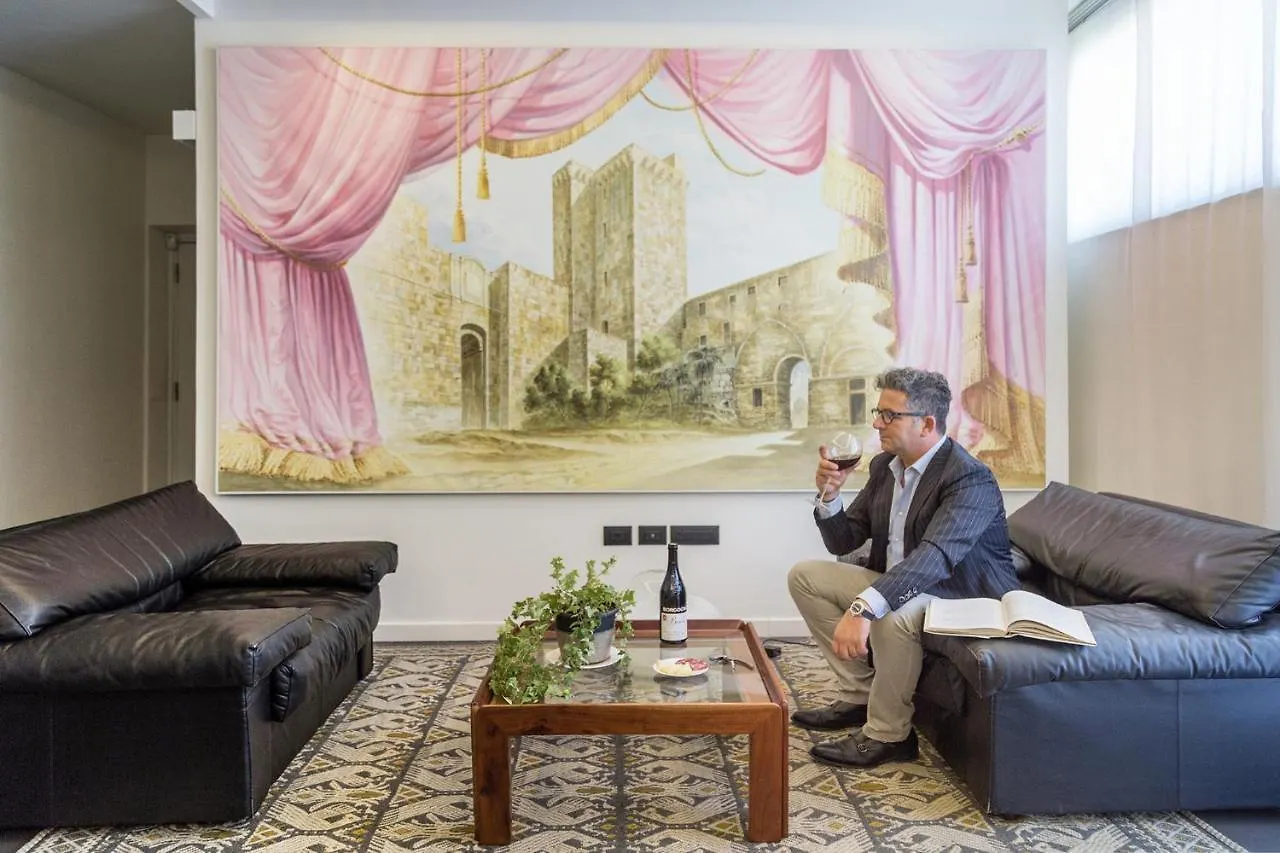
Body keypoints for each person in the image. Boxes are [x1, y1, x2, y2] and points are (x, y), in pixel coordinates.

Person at [787, 366, 1018, 768]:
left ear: (927, 423)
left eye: (889, 415)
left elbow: (935, 557)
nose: (877, 423)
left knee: (891, 612)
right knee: (805, 577)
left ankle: (889, 735)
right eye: (878, 412)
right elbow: (845, 540)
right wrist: (830, 496)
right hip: (904, 583)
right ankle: (859, 696)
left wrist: (864, 607)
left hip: (960, 596)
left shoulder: (969, 479)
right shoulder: (885, 467)